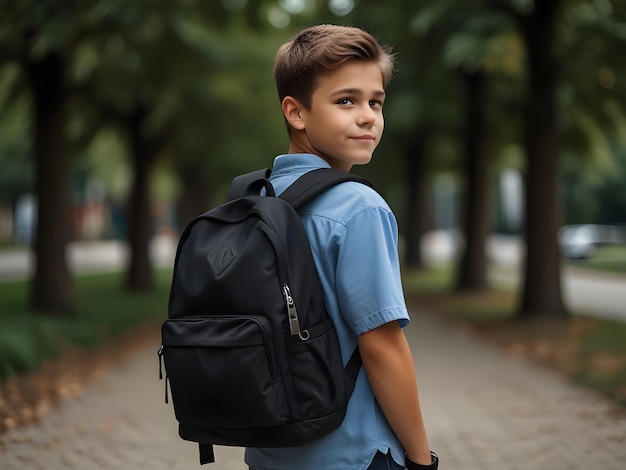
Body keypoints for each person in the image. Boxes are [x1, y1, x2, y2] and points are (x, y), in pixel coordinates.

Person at [245, 24, 437, 470]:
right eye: (346, 100)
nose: (368, 115)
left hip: (270, 452)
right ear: (296, 112)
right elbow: (382, 346)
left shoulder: (257, 199)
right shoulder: (359, 207)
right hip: (353, 452)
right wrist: (421, 458)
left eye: (376, 101)